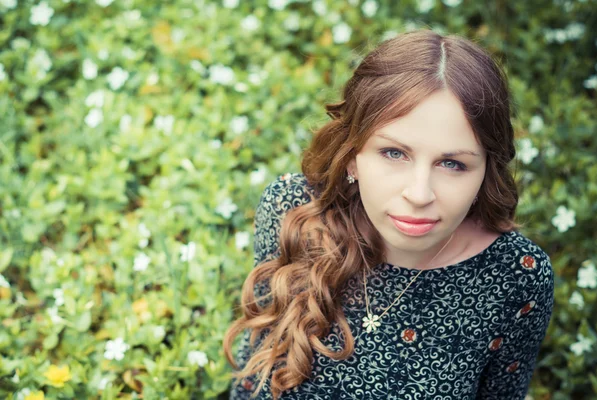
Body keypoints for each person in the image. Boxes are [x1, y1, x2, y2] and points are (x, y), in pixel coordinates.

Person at [223, 29, 554, 400]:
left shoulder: (516, 276)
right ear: (352, 155)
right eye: (394, 153)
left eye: (452, 163)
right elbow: (256, 372)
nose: (419, 194)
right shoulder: (293, 211)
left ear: (485, 172)